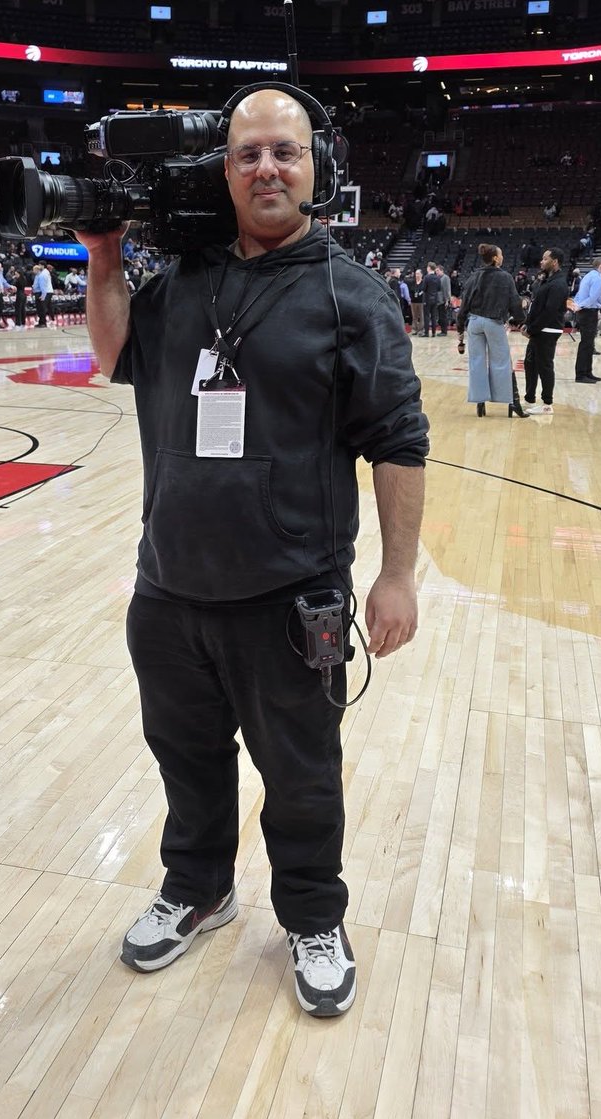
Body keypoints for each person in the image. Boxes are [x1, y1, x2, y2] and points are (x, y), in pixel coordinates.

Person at [76, 85, 429, 1018]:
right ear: (224, 173)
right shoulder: (181, 284)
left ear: (316, 169)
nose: (267, 167)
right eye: (248, 155)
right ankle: (198, 888)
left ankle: (314, 914)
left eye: (285, 151)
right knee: (186, 760)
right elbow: (118, 357)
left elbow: (398, 436)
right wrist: (103, 255)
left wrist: (396, 573)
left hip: (290, 598)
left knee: (302, 775)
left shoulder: (351, 296)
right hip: (169, 589)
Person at [455, 243, 525, 418]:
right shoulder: (505, 277)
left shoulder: (473, 276)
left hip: (474, 323)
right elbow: (515, 303)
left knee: (477, 362)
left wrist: (460, 327)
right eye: (500, 254)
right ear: (495, 258)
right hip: (493, 322)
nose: (502, 257)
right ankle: (511, 402)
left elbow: (464, 305)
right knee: (501, 363)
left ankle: (480, 403)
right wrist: (521, 321)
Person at [521, 246, 569, 411]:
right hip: (539, 330)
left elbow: (549, 311)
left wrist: (532, 329)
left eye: (545, 259)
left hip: (548, 331)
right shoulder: (549, 280)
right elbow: (537, 306)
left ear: (554, 262)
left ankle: (547, 404)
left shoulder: (559, 283)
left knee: (544, 366)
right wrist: (528, 324)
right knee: (530, 364)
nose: (542, 261)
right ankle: (529, 399)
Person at [569, 257, 601, 383]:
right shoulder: (598, 278)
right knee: (586, 344)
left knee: (589, 343)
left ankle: (587, 371)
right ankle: (581, 374)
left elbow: (581, 294)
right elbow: (592, 297)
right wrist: (581, 306)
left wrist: (578, 305)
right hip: (588, 311)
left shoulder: (589, 275)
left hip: (585, 311)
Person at [421, 261, 441, 337]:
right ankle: (433, 332)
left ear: (429, 268)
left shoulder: (426, 277)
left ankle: (426, 332)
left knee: (426, 316)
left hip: (427, 299)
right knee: (434, 316)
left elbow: (423, 288)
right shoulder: (437, 277)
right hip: (435, 298)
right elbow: (439, 288)